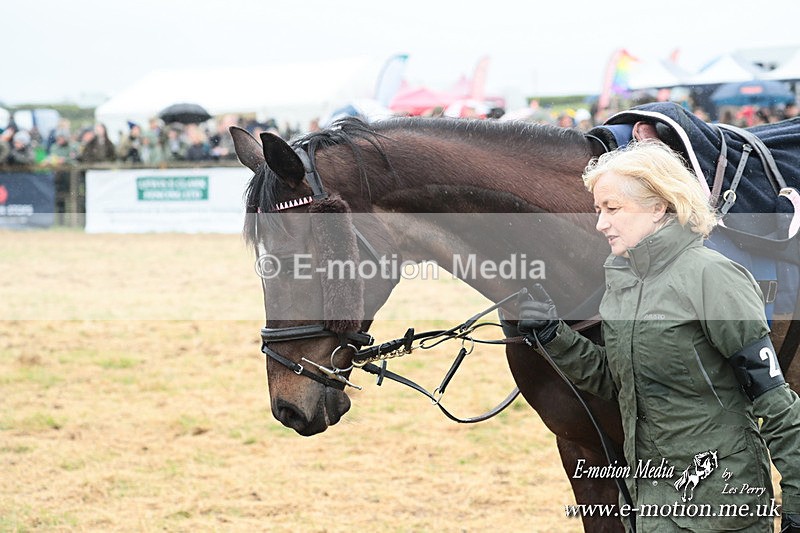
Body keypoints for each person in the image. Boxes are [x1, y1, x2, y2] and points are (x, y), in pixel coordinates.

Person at [518, 141, 800, 532]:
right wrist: (553, 336)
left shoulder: (712, 276)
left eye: (613, 208)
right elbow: (618, 381)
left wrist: (796, 505)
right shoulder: (622, 281)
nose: (601, 224)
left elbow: (776, 401)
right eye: (598, 210)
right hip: (647, 505)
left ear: (659, 206)